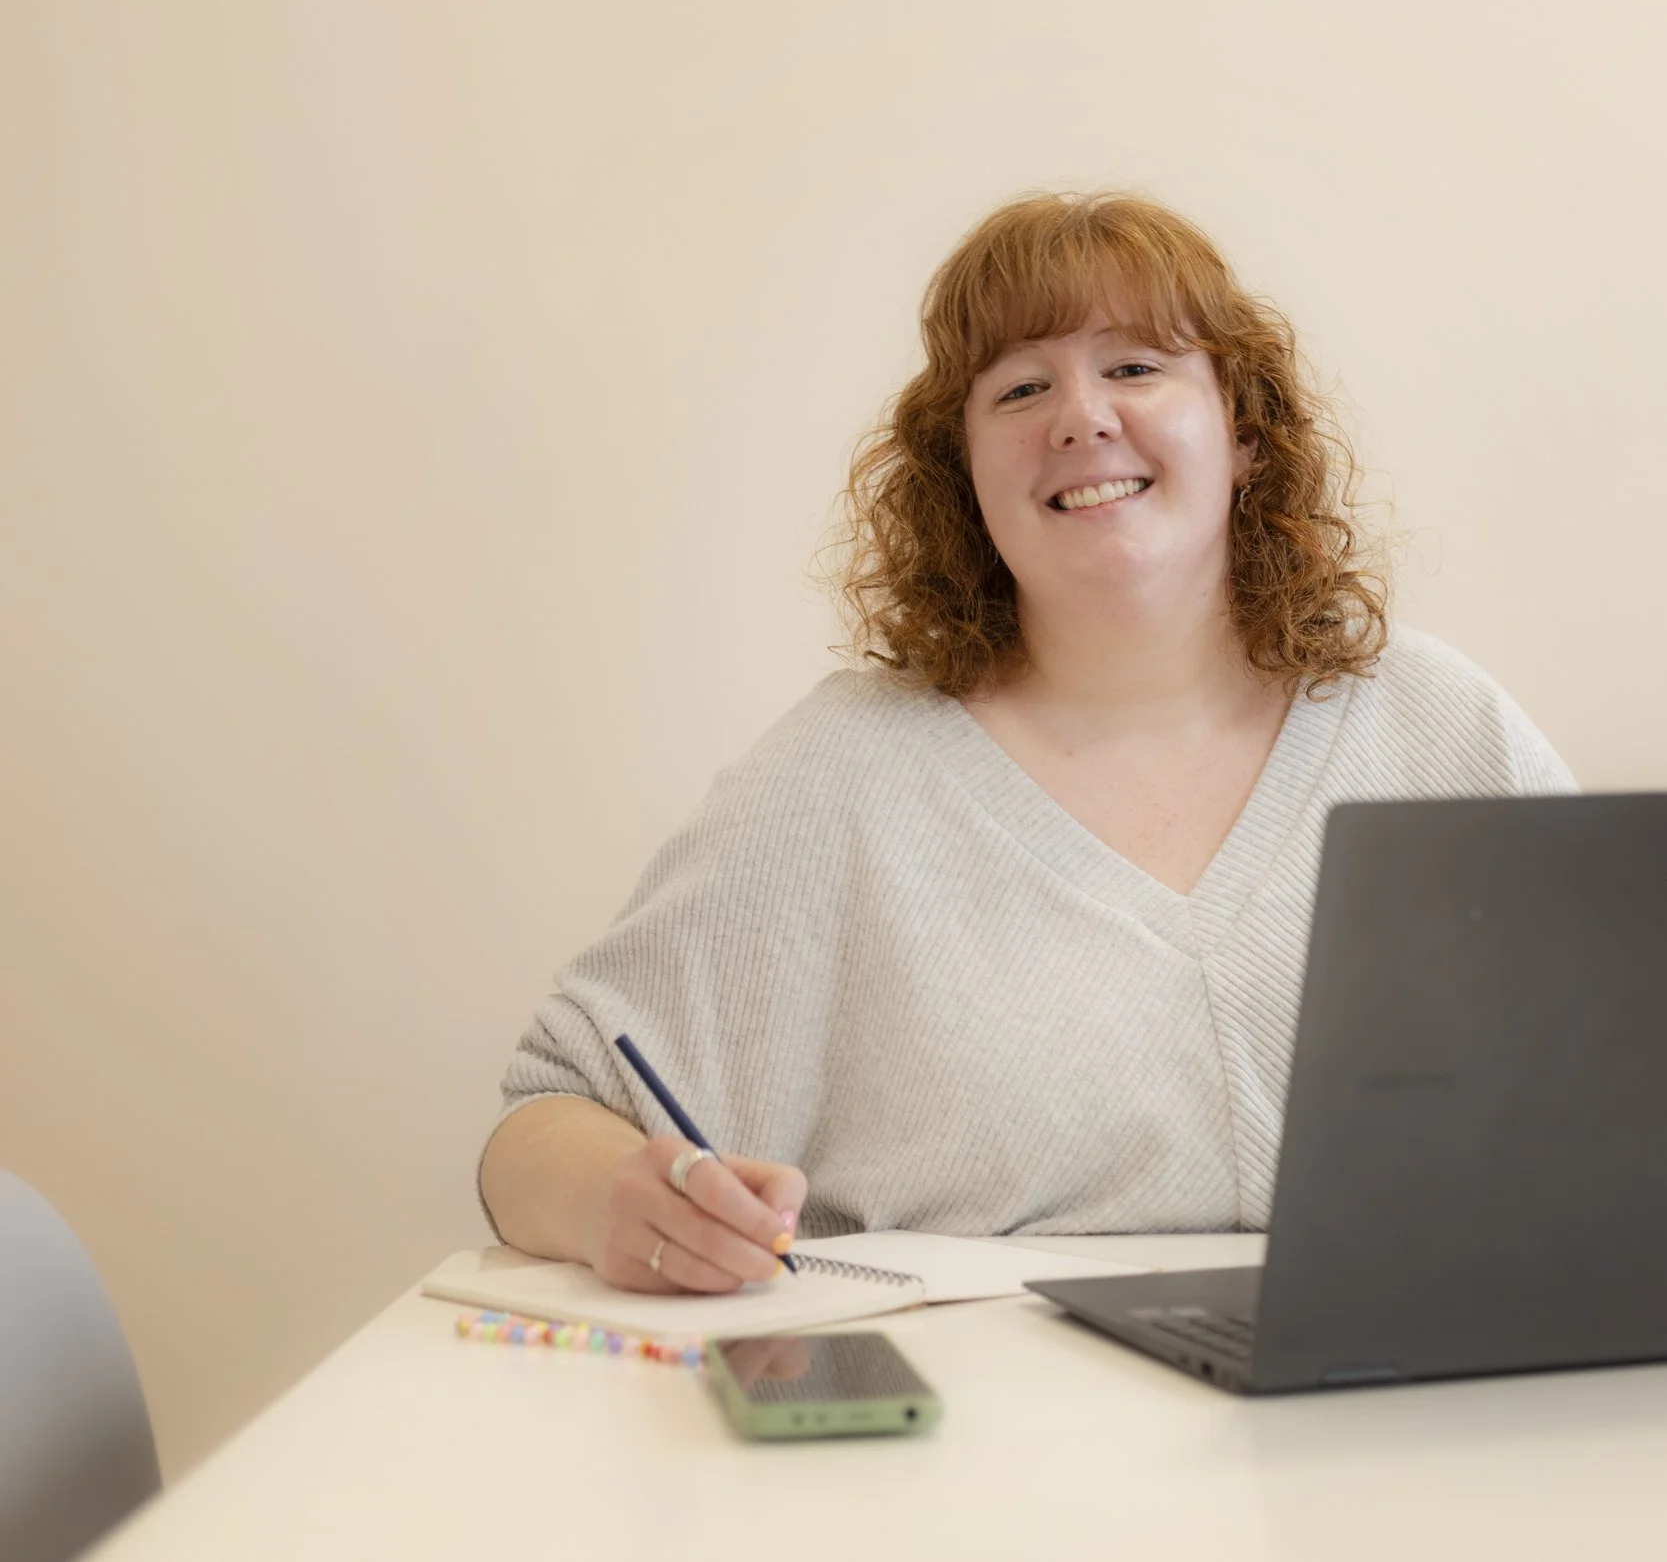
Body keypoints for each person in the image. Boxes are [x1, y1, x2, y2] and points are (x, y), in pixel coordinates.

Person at [478, 191, 1574, 1292]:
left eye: (1135, 367)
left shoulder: (1441, 725)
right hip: (985, 1441)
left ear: (1242, 432)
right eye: (1019, 387)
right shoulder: (839, 776)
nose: (1079, 417)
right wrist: (617, 1199)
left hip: (1411, 1419)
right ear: (963, 476)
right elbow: (543, 1120)